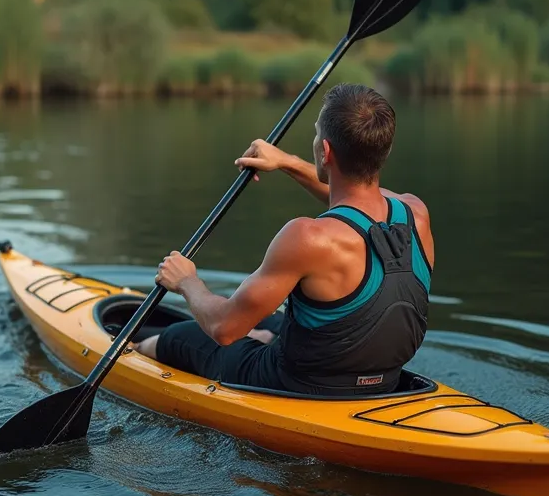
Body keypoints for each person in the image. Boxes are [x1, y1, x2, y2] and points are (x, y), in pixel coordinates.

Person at [135, 83, 435, 396]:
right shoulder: (415, 214)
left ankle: (135, 348)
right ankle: (263, 337)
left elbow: (224, 329)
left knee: (182, 337)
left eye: (318, 133)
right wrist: (286, 161)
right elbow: (358, 203)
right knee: (273, 323)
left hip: (296, 386)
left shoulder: (306, 237)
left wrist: (186, 281)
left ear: (326, 151)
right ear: (382, 148)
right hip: (387, 382)